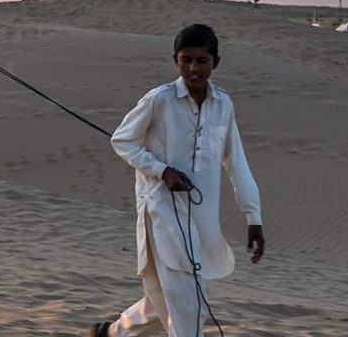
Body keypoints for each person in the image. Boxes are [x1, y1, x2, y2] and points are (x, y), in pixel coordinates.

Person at [93, 24, 264, 337]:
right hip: (162, 214)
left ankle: (113, 333)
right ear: (176, 61)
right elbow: (122, 140)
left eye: (201, 60)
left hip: (200, 219)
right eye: (186, 60)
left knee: (167, 296)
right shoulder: (159, 99)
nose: (193, 68)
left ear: (215, 62)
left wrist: (254, 217)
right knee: (189, 304)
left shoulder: (223, 104)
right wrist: (162, 170)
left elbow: (235, 161)